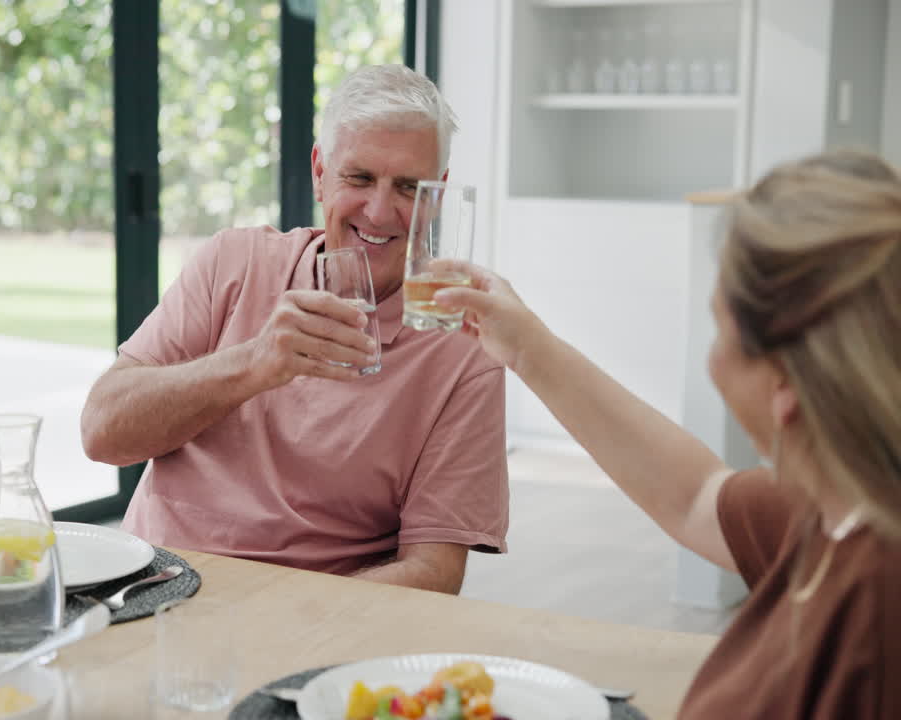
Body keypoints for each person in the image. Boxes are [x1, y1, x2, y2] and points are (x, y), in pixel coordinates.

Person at [434, 148, 901, 718]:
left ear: (785, 383)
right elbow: (695, 496)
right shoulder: (836, 507)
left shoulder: (876, 605)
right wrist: (526, 347)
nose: (713, 363)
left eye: (721, 332)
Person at [80, 64, 508, 593]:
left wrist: (280, 612)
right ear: (319, 172)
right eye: (358, 178)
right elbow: (102, 432)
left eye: (407, 187)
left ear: (438, 195)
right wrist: (254, 364)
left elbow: (435, 573)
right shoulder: (232, 262)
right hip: (152, 591)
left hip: (313, 617)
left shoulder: (465, 345)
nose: (379, 210)